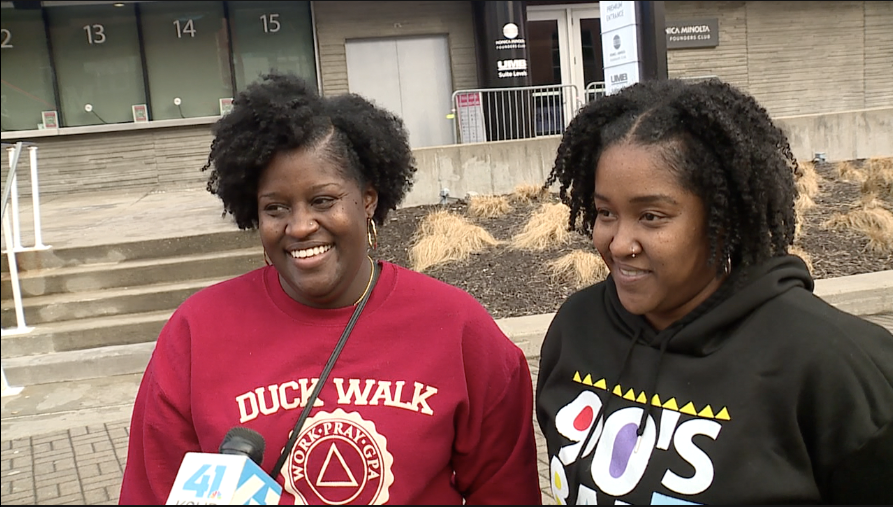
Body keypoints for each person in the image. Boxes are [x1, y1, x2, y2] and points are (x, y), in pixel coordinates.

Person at [119, 72, 542, 505]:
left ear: (369, 199)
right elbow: (150, 491)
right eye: (276, 208)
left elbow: (506, 491)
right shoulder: (196, 332)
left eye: (323, 201)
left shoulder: (458, 329)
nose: (300, 226)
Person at [535, 78, 893, 505]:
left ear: (724, 220)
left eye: (651, 216)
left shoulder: (832, 365)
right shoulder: (579, 326)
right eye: (606, 212)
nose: (618, 243)